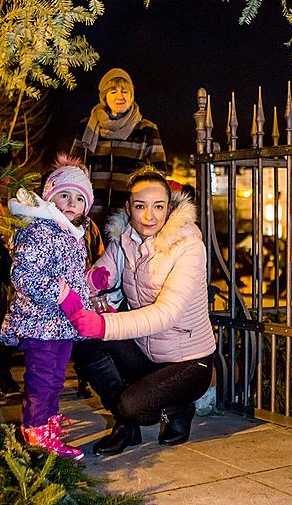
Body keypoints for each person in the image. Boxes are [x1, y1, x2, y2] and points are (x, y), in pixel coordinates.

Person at [68, 166, 216, 456]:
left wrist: (103, 324)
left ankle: (175, 407)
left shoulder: (188, 246)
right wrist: (94, 289)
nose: (149, 217)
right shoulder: (125, 241)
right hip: (146, 353)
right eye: (140, 206)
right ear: (128, 208)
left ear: (169, 207)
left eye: (158, 206)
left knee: (134, 406)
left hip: (187, 362)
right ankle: (127, 427)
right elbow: (98, 276)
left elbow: (166, 313)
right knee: (82, 340)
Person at [0, 156, 109, 460]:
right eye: (64, 195)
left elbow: (69, 279)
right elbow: (24, 275)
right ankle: (37, 429)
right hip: (41, 323)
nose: (71, 203)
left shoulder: (71, 233)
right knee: (43, 378)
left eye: (78, 198)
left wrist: (90, 281)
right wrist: (62, 295)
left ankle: (44, 422)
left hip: (61, 325)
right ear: (49, 196)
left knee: (55, 378)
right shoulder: (40, 229)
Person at [69, 68, 166, 228]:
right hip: (90, 213)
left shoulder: (146, 129)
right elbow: (72, 167)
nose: (120, 96)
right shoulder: (87, 127)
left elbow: (159, 173)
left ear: (132, 95)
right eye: (113, 91)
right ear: (104, 96)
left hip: (128, 215)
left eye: (125, 91)